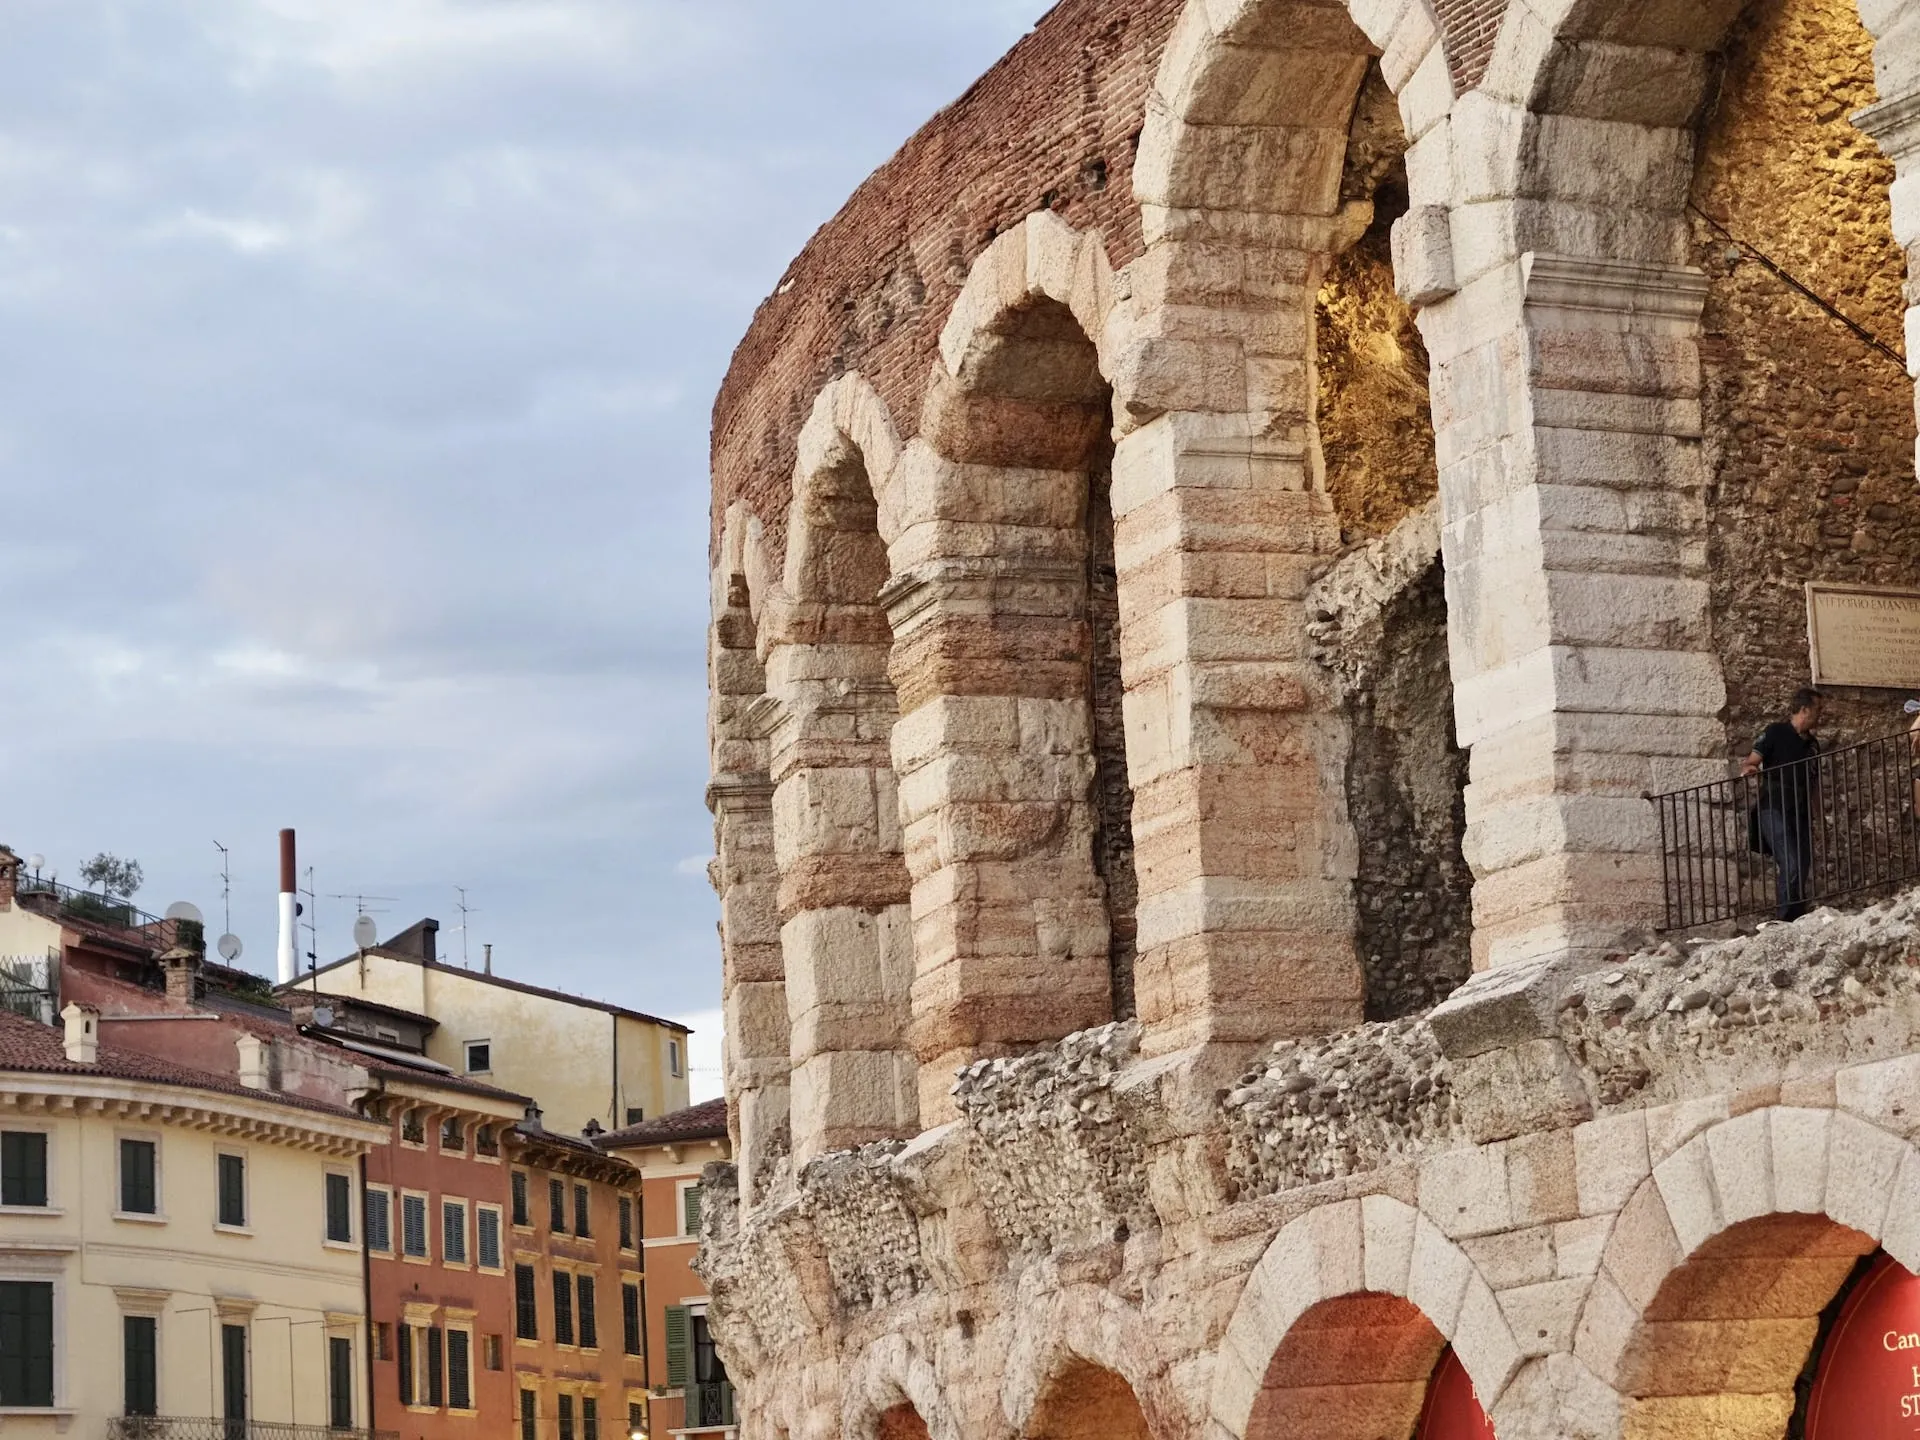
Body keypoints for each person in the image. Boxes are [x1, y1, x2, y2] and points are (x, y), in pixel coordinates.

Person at [1742, 688, 1824, 921]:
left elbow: (1813, 782)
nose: (1821, 715)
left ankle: (1796, 914)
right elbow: (1752, 760)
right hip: (1774, 807)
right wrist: (1750, 769)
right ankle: (1786, 917)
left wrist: (1817, 817)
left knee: (1803, 864)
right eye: (1818, 709)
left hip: (1800, 810)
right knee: (1791, 861)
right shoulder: (1775, 732)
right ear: (1805, 709)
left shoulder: (1813, 745)